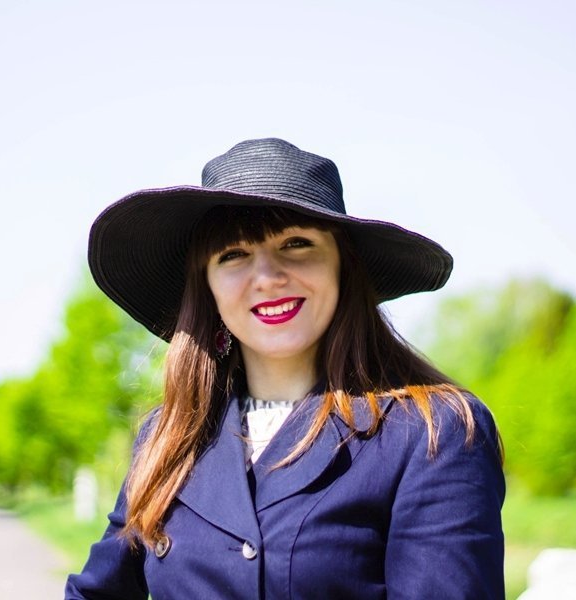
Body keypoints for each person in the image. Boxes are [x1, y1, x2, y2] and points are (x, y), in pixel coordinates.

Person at [66, 138, 506, 599]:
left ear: (343, 267)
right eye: (233, 254)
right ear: (207, 288)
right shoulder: (169, 436)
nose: (268, 277)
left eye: (297, 243)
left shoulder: (432, 431)